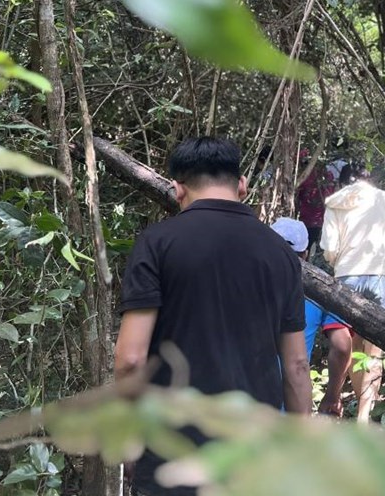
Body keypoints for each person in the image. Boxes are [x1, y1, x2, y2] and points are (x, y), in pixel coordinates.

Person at [114, 137, 312, 496]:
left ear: (177, 189)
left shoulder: (156, 243)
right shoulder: (280, 254)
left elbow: (130, 360)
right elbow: (297, 366)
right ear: (242, 185)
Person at [320, 162, 385, 423]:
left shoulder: (334, 203)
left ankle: (336, 403)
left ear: (342, 183)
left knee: (350, 347)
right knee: (375, 351)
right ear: (368, 180)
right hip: (381, 276)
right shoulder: (384, 199)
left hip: (346, 277)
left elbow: (329, 248)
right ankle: (363, 418)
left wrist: (340, 260)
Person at [270, 217, 354, 417]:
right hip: (291, 406)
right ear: (305, 254)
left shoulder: (243, 281)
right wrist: (332, 395)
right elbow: (342, 345)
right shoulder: (321, 293)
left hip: (240, 404)